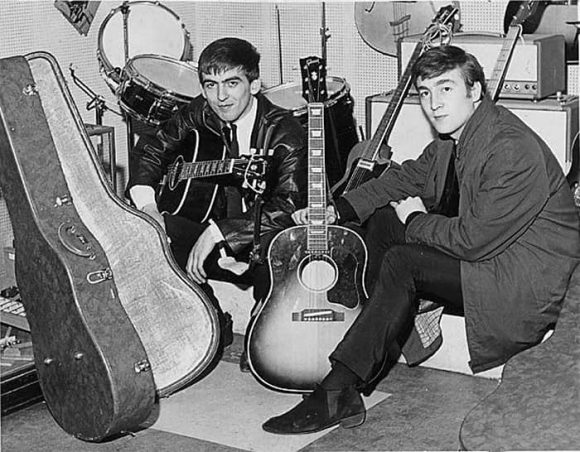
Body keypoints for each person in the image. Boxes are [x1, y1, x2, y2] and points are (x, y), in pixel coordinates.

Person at [262, 45, 580, 434]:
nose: (434, 104)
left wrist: (415, 218)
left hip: (524, 278)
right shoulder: (456, 137)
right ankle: (366, 333)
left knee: (404, 259)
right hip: (493, 257)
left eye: (446, 89)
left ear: (475, 90)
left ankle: (338, 389)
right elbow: (406, 177)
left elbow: (472, 241)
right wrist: (337, 210)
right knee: (381, 223)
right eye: (425, 93)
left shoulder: (509, 148)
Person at [126, 37, 307, 366]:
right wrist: (149, 208)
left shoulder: (286, 132)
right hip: (215, 218)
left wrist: (218, 232)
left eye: (232, 83)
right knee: (149, 235)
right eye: (210, 85)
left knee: (278, 248)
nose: (220, 97)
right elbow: (152, 149)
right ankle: (210, 318)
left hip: (266, 238)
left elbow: (288, 207)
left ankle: (263, 321)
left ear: (254, 85)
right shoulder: (202, 110)